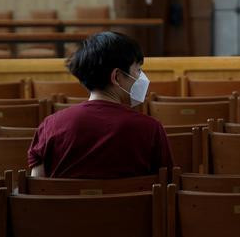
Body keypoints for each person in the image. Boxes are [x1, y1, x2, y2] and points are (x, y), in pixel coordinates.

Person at [28, 31, 172, 178]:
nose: (142, 77)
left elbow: (37, 189)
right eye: (138, 70)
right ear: (117, 77)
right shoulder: (151, 129)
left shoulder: (50, 126)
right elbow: (166, 188)